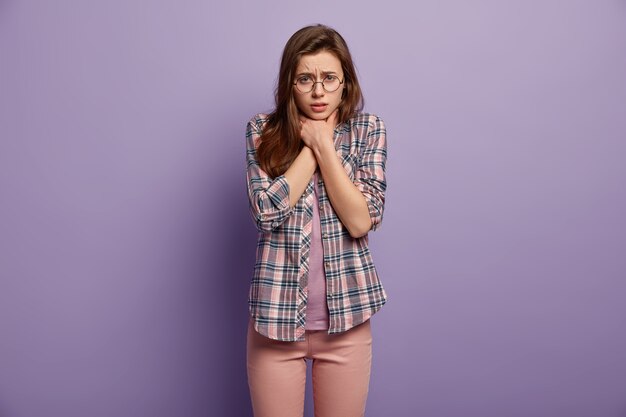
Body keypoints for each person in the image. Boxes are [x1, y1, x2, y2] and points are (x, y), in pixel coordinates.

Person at [245, 24, 388, 417]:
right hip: (275, 324)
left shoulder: (367, 131)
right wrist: (313, 145)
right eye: (305, 79)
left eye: (329, 78)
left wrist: (326, 144)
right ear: (290, 84)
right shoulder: (263, 131)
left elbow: (361, 220)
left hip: (347, 324)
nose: (318, 91)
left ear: (346, 83)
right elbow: (267, 211)